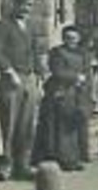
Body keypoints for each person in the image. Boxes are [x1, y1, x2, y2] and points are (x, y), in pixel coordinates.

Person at [0, 0, 44, 180]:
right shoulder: (1, 26)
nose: (27, 9)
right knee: (8, 123)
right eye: (24, 5)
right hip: (10, 80)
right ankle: (5, 166)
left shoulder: (30, 29)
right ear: (14, 4)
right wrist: (8, 71)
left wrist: (39, 76)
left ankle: (23, 165)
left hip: (29, 79)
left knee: (27, 125)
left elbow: (35, 55)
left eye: (30, 6)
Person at [36, 24, 91, 171]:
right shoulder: (57, 52)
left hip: (78, 93)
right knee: (62, 128)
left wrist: (85, 84)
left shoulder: (83, 53)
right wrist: (75, 78)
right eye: (68, 38)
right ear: (63, 38)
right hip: (61, 91)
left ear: (78, 39)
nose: (71, 41)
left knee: (75, 125)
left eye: (74, 38)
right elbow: (57, 71)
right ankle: (62, 159)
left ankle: (75, 158)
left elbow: (87, 72)